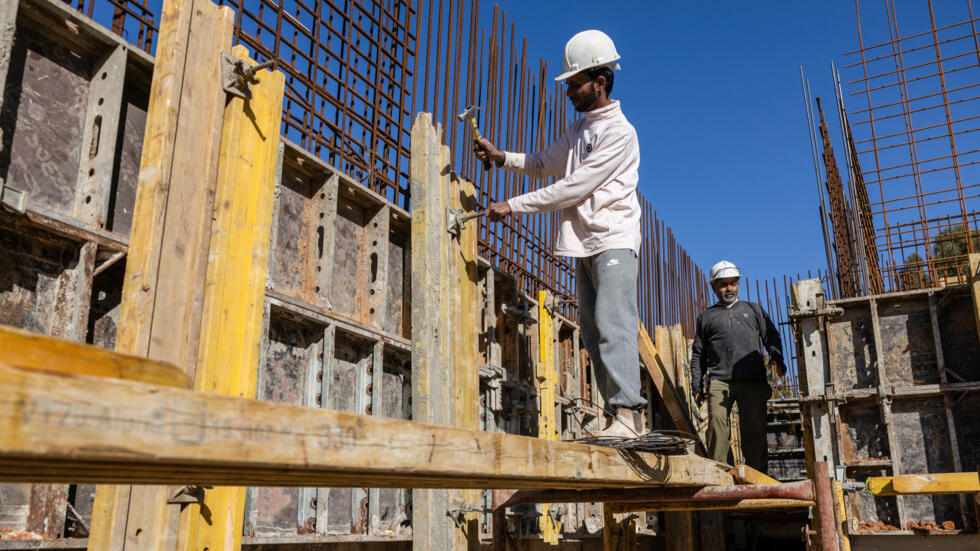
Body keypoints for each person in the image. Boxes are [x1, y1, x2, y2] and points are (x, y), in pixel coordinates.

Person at [473, 30, 645, 438]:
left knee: (613, 321)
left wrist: (513, 205)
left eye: (574, 84)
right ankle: (616, 417)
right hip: (587, 241)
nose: (568, 91)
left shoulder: (620, 133)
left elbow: (573, 186)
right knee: (591, 326)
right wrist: (503, 158)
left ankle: (629, 416)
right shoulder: (579, 131)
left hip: (615, 240)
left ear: (599, 82)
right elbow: (542, 163)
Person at [690, 260, 786, 472]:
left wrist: (777, 358)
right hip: (719, 381)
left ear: (738, 284)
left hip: (752, 379)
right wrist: (696, 385)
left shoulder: (753, 310)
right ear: (714, 287)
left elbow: (771, 336)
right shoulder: (706, 317)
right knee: (716, 427)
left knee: (754, 431)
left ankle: (756, 476)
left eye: (733, 283)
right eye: (724, 284)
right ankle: (723, 475)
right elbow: (698, 355)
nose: (729, 288)